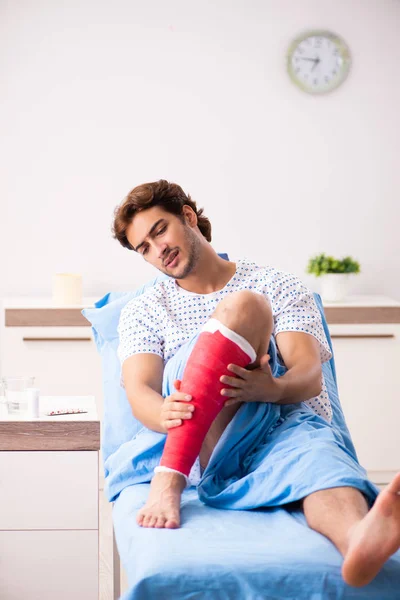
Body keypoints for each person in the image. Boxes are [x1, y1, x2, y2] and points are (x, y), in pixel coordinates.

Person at [112, 179, 400, 588]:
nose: (157, 249)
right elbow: (138, 390)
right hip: (198, 438)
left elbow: (308, 374)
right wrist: (162, 411)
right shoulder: (146, 309)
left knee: (321, 462)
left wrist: (273, 389)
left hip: (276, 427)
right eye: (144, 247)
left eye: (160, 230)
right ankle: (169, 477)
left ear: (188, 218)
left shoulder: (276, 284)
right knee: (246, 306)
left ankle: (358, 542)